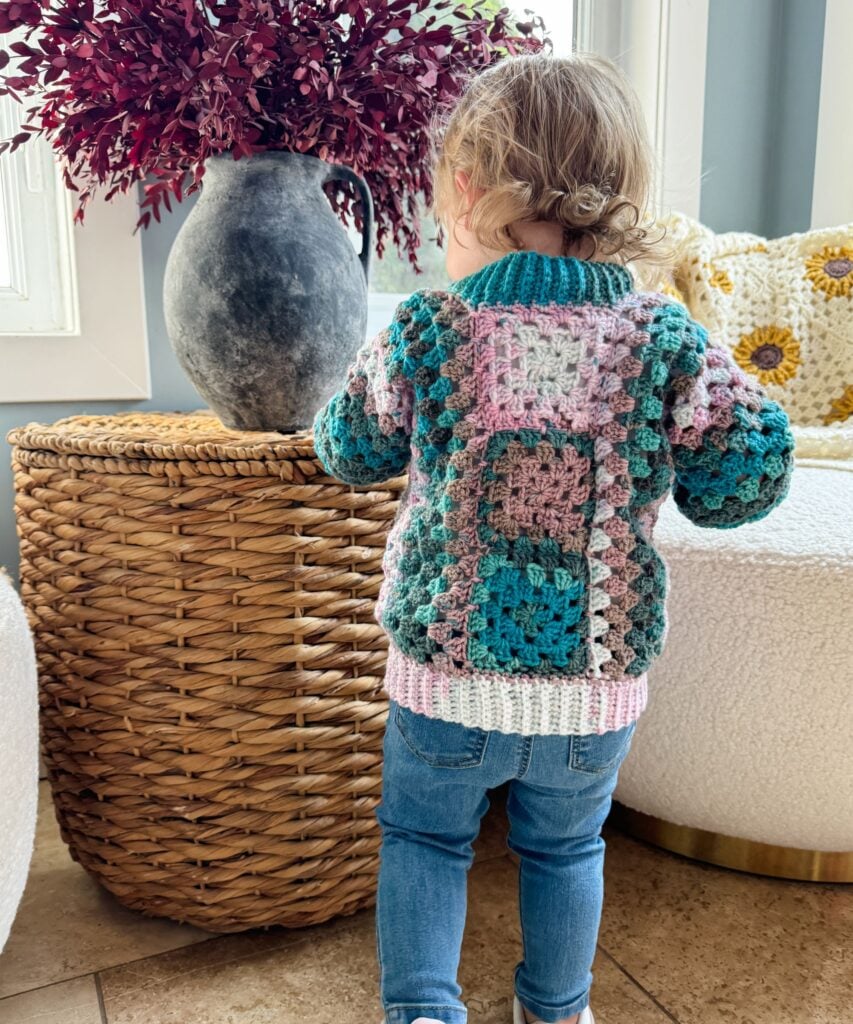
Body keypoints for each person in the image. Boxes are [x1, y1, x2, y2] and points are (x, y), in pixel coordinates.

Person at [313, 52, 794, 1024]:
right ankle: (556, 1008)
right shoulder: (662, 336)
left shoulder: (430, 327)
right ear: (622, 195)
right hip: (592, 681)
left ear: (461, 186)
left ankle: (420, 1011)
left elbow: (347, 447)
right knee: (567, 848)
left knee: (422, 839)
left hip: (444, 674)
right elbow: (749, 473)